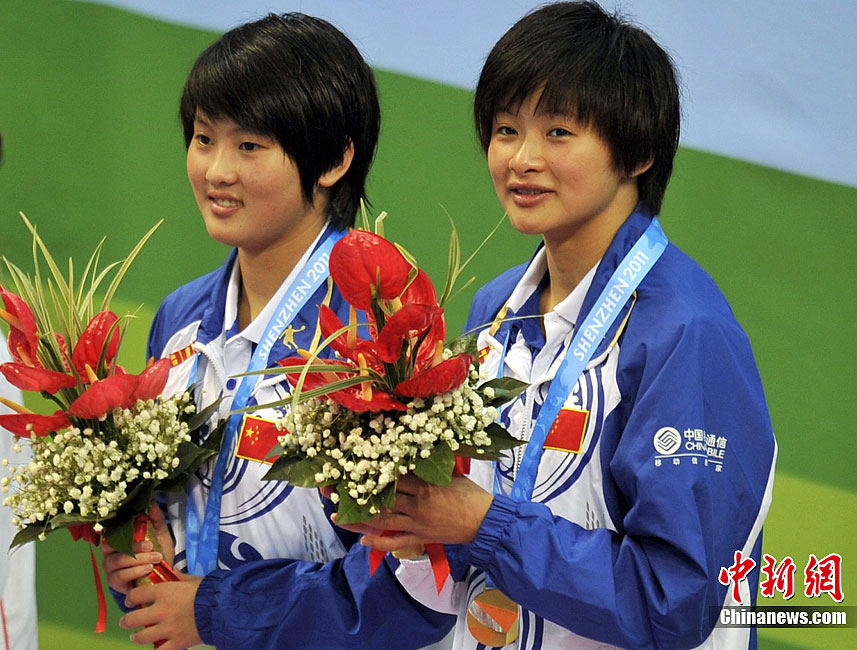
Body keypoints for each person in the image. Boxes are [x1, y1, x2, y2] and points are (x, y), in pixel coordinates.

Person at [347, 3, 777, 649]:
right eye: (505, 129)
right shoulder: (495, 309)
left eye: (557, 132)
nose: (521, 158)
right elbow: (466, 553)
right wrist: (415, 527)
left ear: (637, 152)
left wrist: (485, 525)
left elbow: (674, 601)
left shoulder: (686, 333)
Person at [101, 13, 452, 649]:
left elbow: (410, 590)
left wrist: (214, 611)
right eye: (203, 138)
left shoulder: (380, 332)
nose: (216, 171)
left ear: (335, 158)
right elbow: (171, 518)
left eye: (249, 146)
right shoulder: (181, 318)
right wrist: (140, 552)